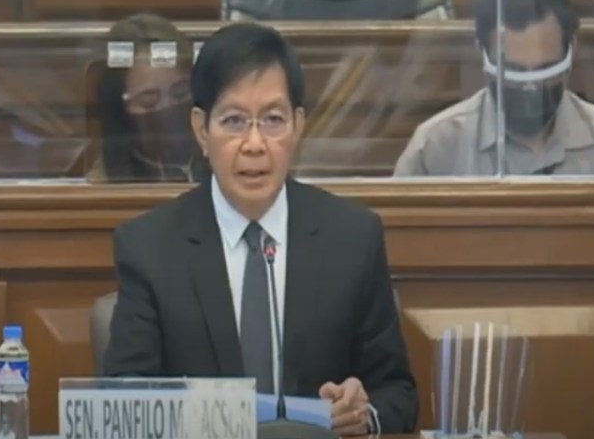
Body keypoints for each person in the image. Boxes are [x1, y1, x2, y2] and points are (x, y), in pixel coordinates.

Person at [103, 22, 418, 435]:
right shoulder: (149, 248)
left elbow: (397, 394)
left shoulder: (353, 238)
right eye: (234, 121)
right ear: (201, 129)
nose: (254, 144)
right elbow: (127, 402)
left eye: (272, 120)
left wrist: (362, 412)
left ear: (298, 126)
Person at [393, 0, 594, 176]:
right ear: (481, 52)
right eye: (514, 72)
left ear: (571, 49)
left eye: (545, 70)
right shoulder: (434, 150)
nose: (530, 89)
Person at [92, 12, 205, 182]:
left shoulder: (222, 163)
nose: (168, 108)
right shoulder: (102, 183)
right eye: (149, 102)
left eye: (181, 94)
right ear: (119, 109)